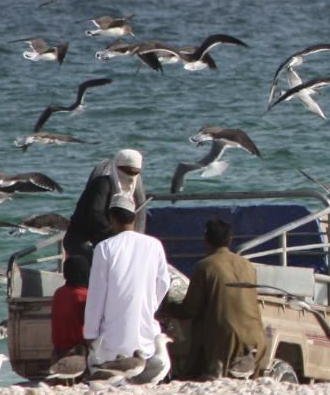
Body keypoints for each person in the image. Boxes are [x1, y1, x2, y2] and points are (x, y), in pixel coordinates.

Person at [165, 217, 265, 379]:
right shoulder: (248, 265)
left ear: (206, 241)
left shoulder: (205, 266)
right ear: (230, 240)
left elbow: (190, 309)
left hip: (225, 341)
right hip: (256, 339)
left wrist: (167, 307)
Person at [83, 194, 171, 363]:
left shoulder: (105, 248)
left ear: (112, 218)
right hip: (146, 337)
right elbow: (163, 282)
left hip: (112, 342)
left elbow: (97, 294)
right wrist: (150, 304)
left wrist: (90, 333)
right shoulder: (154, 245)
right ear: (134, 217)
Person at [63, 149, 146, 268]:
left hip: (107, 241)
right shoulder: (101, 184)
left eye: (135, 173)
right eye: (126, 171)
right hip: (83, 241)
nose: (130, 177)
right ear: (116, 167)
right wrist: (117, 236)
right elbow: (95, 215)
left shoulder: (130, 190)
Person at [51, 254, 92, 360]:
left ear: (65, 274)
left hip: (58, 352)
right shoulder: (85, 296)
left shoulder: (58, 293)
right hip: (78, 353)